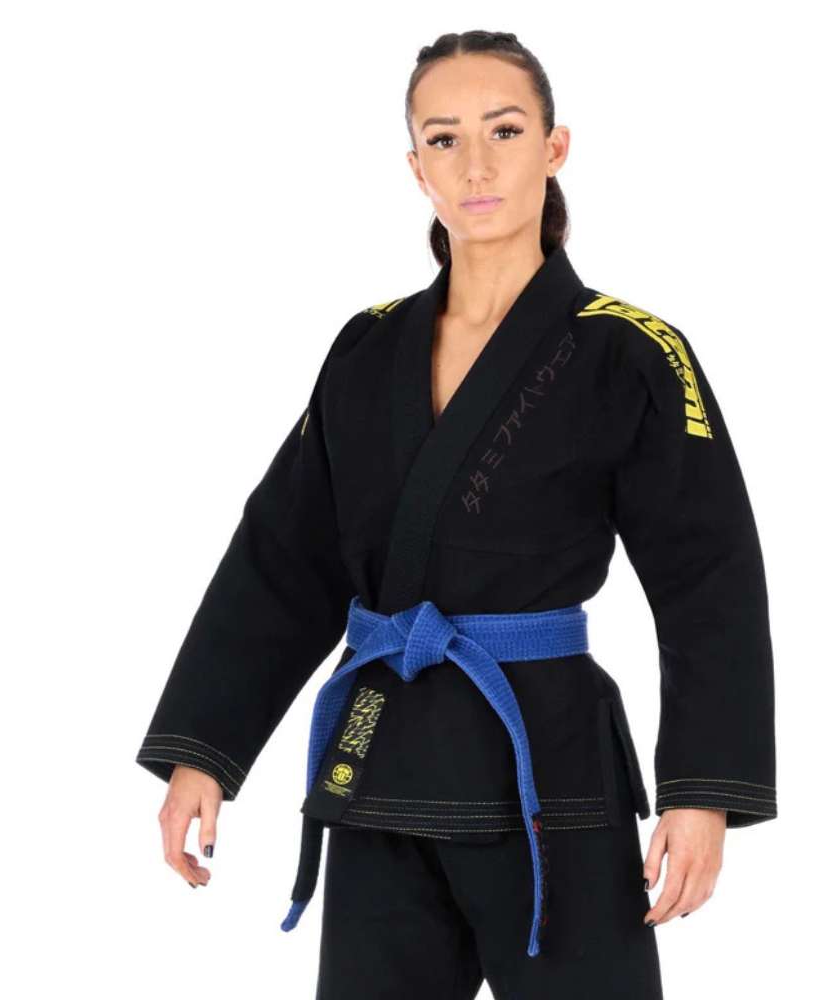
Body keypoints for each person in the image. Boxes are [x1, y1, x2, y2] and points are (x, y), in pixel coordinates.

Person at [135, 29, 776, 1000]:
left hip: (548, 774)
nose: (475, 164)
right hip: (381, 760)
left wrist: (702, 791)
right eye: (443, 138)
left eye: (503, 130)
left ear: (554, 148)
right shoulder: (368, 348)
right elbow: (285, 556)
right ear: (415, 167)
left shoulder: (632, 351)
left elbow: (709, 580)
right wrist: (204, 750)